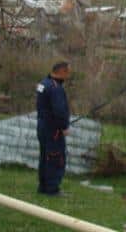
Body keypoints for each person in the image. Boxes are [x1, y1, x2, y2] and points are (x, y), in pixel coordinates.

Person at [36, 61, 71, 196]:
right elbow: (59, 111)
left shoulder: (43, 83)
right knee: (55, 158)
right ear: (62, 72)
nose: (68, 76)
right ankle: (52, 189)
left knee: (45, 157)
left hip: (42, 126)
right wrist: (64, 127)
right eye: (67, 73)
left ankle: (43, 186)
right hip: (54, 130)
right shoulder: (56, 88)